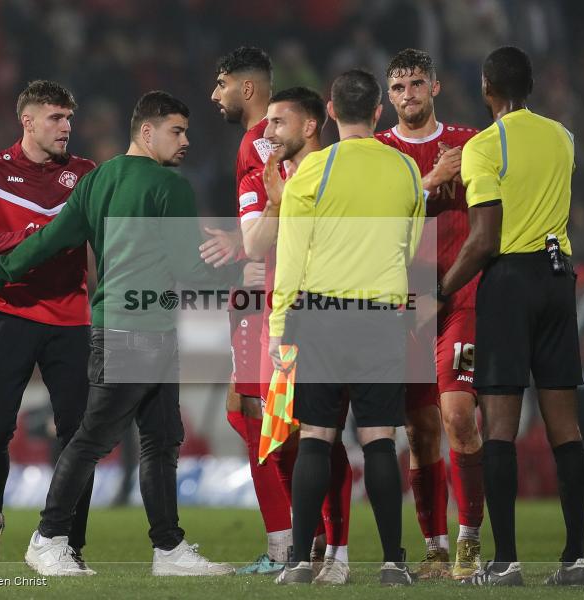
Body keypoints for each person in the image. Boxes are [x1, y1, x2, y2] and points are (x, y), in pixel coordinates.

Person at [0, 91, 239, 577]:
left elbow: (52, 239)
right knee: (97, 438)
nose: (185, 141)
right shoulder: (170, 185)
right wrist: (241, 274)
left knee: (159, 438)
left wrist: (1, 272)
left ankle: (168, 550)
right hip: (145, 330)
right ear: (147, 132)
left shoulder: (96, 180)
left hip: (116, 326)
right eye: (176, 131)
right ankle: (49, 536)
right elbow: (190, 267)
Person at [438, 46, 584, 586]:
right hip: (558, 277)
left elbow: (483, 241)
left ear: (486, 89)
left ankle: (505, 562)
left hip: (508, 283)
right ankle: (575, 560)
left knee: (497, 427)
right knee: (565, 428)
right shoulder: (563, 136)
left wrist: (441, 289)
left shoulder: (482, 146)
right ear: (531, 86)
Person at [271, 69, 425, 586]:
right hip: (381, 315)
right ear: (379, 112)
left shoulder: (312, 173)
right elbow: (412, 245)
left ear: (331, 112)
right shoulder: (405, 170)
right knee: (380, 440)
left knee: (316, 436)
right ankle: (393, 563)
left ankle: (297, 563)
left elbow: (289, 260)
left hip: (319, 316)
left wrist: (277, 329)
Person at [0, 80, 96, 576]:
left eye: (69, 118)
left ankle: (66, 544)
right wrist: (30, 236)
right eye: (56, 118)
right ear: (29, 121)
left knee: (81, 435)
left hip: (71, 317)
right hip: (10, 313)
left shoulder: (84, 173)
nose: (66, 127)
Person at [375, 48, 485, 580]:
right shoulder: (377, 151)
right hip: (404, 304)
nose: (408, 95)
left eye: (416, 84)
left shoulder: (470, 144)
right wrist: (425, 182)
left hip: (459, 297)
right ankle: (435, 547)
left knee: (459, 415)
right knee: (420, 431)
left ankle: (469, 541)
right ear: (387, 96)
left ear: (435, 87)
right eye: (397, 88)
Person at [242, 86, 354, 584]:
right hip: (279, 318)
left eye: (277, 123)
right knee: (281, 434)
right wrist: (274, 204)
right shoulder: (270, 176)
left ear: (310, 126)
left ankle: (337, 548)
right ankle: (305, 538)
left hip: (326, 317)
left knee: (323, 435)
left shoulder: (338, 170)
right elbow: (253, 245)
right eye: (266, 123)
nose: (266, 133)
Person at [206, 45, 295, 574]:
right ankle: (304, 539)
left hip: (268, 300)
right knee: (252, 414)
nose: (214, 95)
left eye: (220, 84)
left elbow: (277, 214)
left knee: (263, 418)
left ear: (246, 87)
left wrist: (248, 253)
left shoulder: (259, 141)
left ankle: (290, 545)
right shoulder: (279, 136)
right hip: (266, 292)